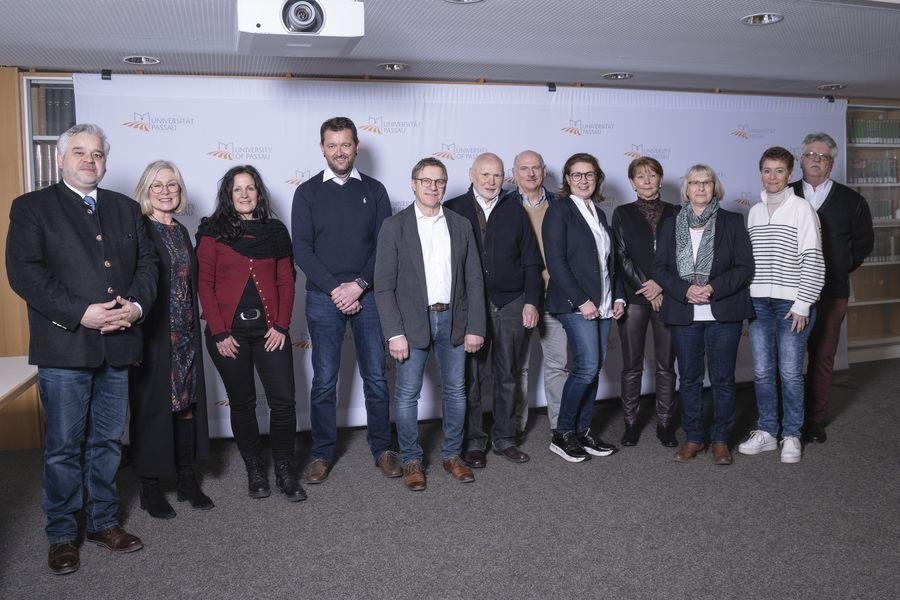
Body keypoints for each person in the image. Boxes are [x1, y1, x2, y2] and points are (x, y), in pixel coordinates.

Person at [6, 123, 158, 574]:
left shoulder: (126, 208)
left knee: (108, 442)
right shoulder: (32, 208)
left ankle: (103, 522)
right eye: (79, 152)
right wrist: (80, 313)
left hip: (119, 343)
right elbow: (25, 273)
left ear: (105, 161)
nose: (88, 160)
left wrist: (134, 306)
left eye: (96, 153)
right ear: (60, 159)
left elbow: (148, 264)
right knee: (62, 447)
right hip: (65, 347)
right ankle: (61, 535)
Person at [292, 116, 398, 484]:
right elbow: (302, 249)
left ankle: (383, 448)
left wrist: (359, 285)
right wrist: (337, 290)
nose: (339, 151)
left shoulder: (376, 190)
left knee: (376, 378)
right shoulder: (306, 192)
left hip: (367, 296)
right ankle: (322, 453)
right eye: (332, 145)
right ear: (322, 148)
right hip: (323, 298)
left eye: (346, 144)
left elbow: (384, 246)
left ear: (356, 147)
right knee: (324, 380)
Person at [374, 157, 486, 491]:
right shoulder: (394, 226)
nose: (432, 187)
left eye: (438, 181)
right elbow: (383, 285)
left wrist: (476, 326)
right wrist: (394, 332)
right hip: (410, 323)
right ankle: (411, 459)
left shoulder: (460, 224)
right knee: (407, 396)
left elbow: (474, 280)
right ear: (413, 183)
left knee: (456, 391)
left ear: (445, 185)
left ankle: (452, 455)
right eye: (426, 180)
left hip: (455, 318)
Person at [197, 165, 304, 501]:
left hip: (270, 330)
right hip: (228, 334)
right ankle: (255, 467)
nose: (244, 195)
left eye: (250, 188)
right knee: (242, 403)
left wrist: (281, 325)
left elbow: (287, 282)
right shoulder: (212, 232)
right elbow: (205, 284)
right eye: (237, 189)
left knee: (284, 402)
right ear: (228, 195)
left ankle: (285, 467)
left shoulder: (275, 231)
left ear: (259, 193)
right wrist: (218, 332)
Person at [653, 165, 755, 465]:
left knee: (723, 379)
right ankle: (694, 438)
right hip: (685, 313)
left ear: (715, 187)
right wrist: (686, 290)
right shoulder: (671, 224)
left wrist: (710, 288)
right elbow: (659, 268)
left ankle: (721, 439)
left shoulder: (732, 221)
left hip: (723, 313)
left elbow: (744, 268)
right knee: (689, 379)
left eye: (706, 182)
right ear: (686, 189)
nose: (700, 188)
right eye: (694, 183)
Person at [444, 152, 542, 466]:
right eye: (485, 175)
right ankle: (474, 441)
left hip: (511, 303)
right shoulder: (453, 209)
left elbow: (531, 261)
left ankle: (504, 437)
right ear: (472, 175)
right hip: (471, 306)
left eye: (497, 175)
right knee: (472, 378)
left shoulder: (515, 210)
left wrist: (532, 301)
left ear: (505, 178)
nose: (491, 181)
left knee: (508, 376)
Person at [129, 160, 213, 519]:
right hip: (154, 335)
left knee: (187, 405)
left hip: (185, 334)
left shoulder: (180, 230)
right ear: (146, 192)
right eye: (157, 185)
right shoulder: (140, 230)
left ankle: (187, 480)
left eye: (172, 185)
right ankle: (149, 488)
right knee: (152, 410)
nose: (166, 191)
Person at [740, 147, 825, 464]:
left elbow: (814, 259)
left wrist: (804, 303)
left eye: (779, 170)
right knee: (762, 372)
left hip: (793, 303)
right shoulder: (755, 212)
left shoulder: (802, 209)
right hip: (760, 302)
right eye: (766, 170)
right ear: (760, 173)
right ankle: (767, 431)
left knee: (790, 373)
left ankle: (791, 435)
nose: (772, 177)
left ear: (790, 174)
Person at [791, 132, 873, 443]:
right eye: (810, 154)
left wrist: (838, 268)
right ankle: (790, 417)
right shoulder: (786, 194)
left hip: (832, 291)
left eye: (822, 156)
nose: (815, 160)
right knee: (789, 359)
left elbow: (863, 244)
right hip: (791, 292)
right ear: (801, 160)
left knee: (823, 356)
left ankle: (814, 421)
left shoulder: (852, 200)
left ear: (831, 162)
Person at [542, 153, 625, 463]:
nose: (583, 179)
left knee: (593, 370)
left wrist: (617, 297)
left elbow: (608, 263)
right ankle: (562, 434)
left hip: (602, 304)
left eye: (589, 174)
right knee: (586, 368)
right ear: (567, 179)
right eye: (576, 175)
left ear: (597, 178)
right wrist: (581, 300)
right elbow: (557, 263)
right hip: (575, 303)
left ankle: (583, 430)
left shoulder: (599, 214)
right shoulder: (560, 211)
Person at [612, 157, 679, 447]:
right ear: (632, 182)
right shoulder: (622, 213)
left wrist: (661, 285)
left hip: (668, 296)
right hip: (634, 297)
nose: (647, 181)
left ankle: (665, 424)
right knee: (632, 365)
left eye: (652, 175)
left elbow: (683, 255)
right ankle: (630, 424)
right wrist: (647, 287)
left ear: (661, 179)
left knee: (666, 364)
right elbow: (621, 255)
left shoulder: (678, 212)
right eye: (640, 177)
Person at [507, 150, 568, 437]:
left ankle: (560, 425)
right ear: (514, 172)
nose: (530, 173)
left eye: (535, 168)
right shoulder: (504, 203)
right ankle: (516, 427)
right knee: (519, 368)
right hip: (521, 298)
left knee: (558, 364)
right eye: (524, 168)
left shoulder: (561, 203)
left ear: (544, 171)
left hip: (555, 296)